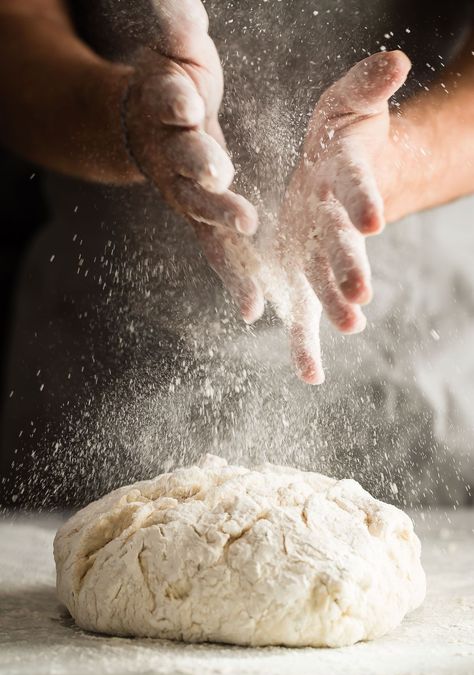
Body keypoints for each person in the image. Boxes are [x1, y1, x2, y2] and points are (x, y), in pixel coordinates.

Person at [0, 0, 473, 507]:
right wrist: (125, 115)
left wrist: (389, 163)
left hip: (418, 366)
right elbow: (16, 27)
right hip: (100, 374)